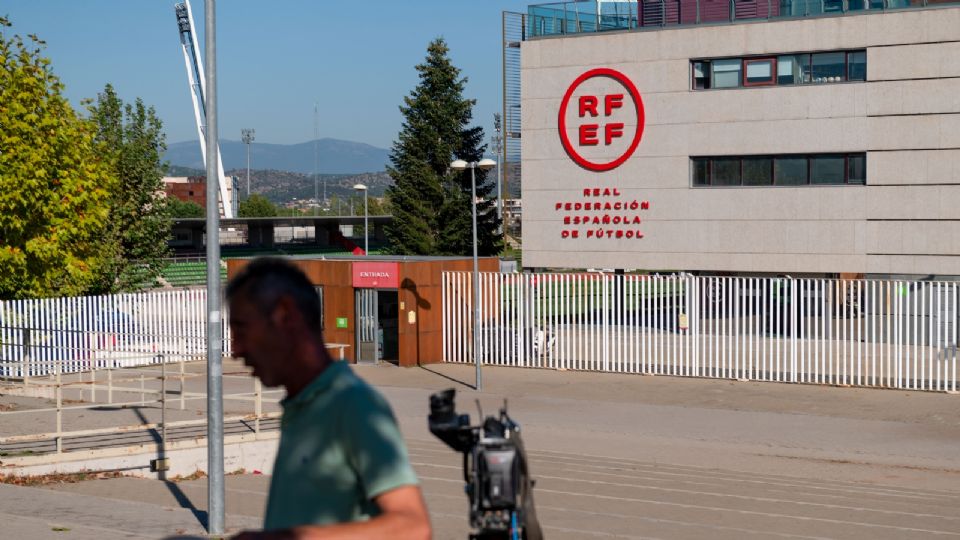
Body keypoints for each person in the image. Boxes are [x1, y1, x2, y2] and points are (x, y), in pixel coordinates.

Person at [227, 257, 431, 540]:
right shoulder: (302, 407)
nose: (235, 350)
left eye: (241, 329)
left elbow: (414, 528)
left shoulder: (353, 405)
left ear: (285, 314)